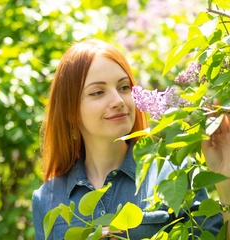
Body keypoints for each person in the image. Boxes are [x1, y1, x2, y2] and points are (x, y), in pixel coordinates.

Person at [32, 39, 229, 239]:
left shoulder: (175, 173)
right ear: (69, 111)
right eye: (98, 92)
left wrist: (226, 184)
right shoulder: (47, 199)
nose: (118, 101)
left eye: (124, 87)